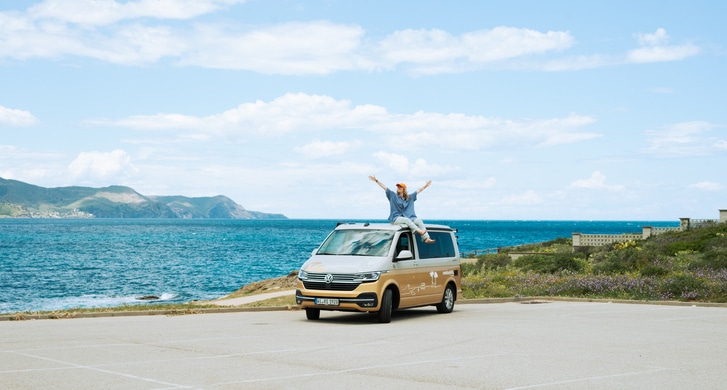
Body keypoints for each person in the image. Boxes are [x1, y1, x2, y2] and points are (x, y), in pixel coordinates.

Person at [369, 175, 435, 244]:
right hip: (396, 218)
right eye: (398, 187)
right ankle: (419, 231)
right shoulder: (393, 195)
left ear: (404, 189)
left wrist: (426, 186)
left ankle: (426, 238)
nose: (398, 188)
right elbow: (385, 187)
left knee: (419, 221)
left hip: (409, 218)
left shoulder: (410, 197)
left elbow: (418, 191)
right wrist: (376, 180)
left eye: (400, 187)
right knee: (406, 220)